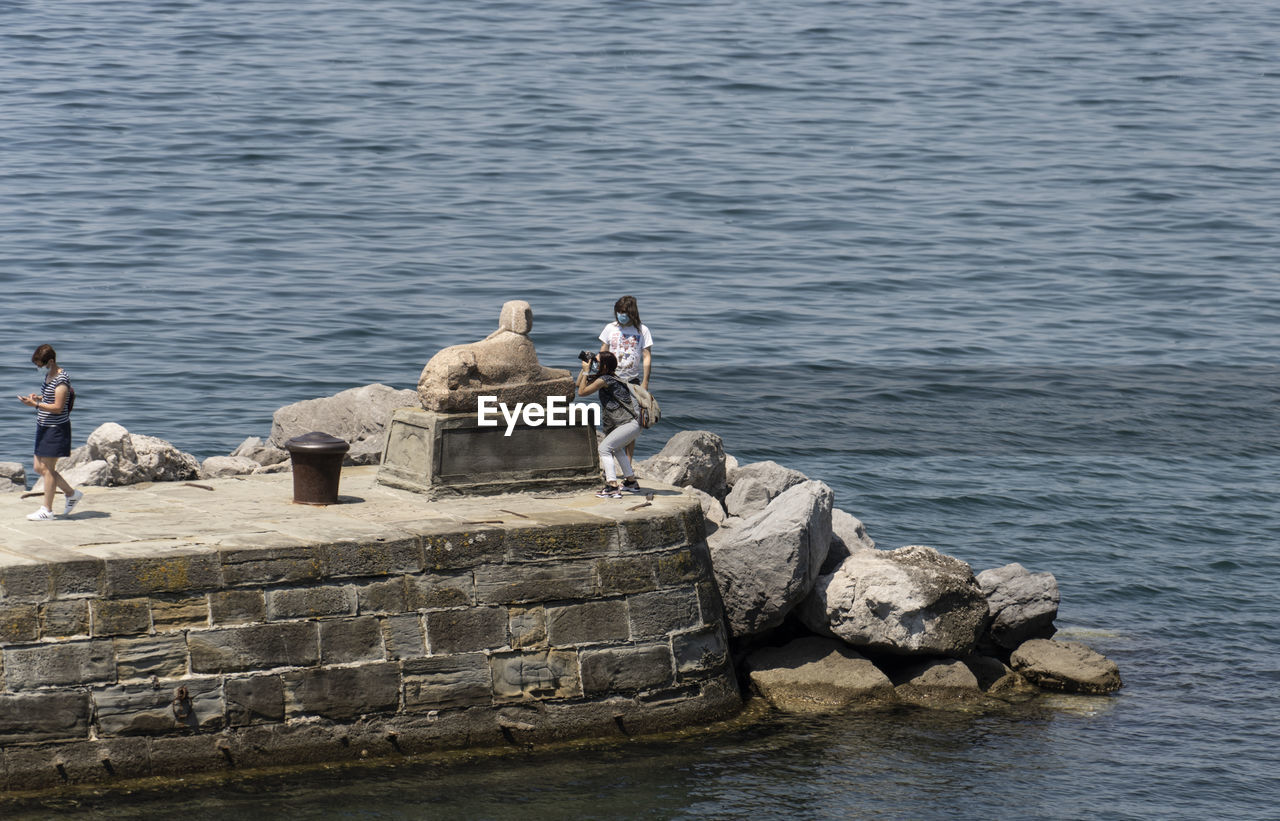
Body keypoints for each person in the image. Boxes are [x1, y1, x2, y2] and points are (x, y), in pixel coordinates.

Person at [18, 344, 82, 520]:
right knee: (39, 468)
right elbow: (50, 398)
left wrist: (36, 405)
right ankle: (71, 493)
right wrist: (37, 398)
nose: (39, 367)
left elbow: (58, 407)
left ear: (51, 361)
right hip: (43, 426)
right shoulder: (49, 375)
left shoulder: (61, 380)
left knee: (48, 469)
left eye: (41, 363)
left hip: (55, 429)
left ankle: (47, 510)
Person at [576, 351, 643, 498]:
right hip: (633, 423)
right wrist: (584, 369)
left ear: (604, 365)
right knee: (617, 449)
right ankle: (631, 482)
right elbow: (579, 384)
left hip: (629, 423)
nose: (595, 363)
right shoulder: (610, 377)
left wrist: (587, 371)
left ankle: (612, 486)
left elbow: (581, 392)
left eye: (597, 362)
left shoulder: (606, 379)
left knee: (604, 448)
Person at [597, 295, 652, 463]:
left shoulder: (642, 330)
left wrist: (645, 382)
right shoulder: (610, 328)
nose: (621, 315)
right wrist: (597, 373)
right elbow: (603, 351)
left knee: (631, 423)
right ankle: (611, 461)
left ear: (632, 312)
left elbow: (647, 356)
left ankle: (628, 463)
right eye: (618, 312)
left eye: (624, 312)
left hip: (631, 381)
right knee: (609, 421)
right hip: (610, 379)